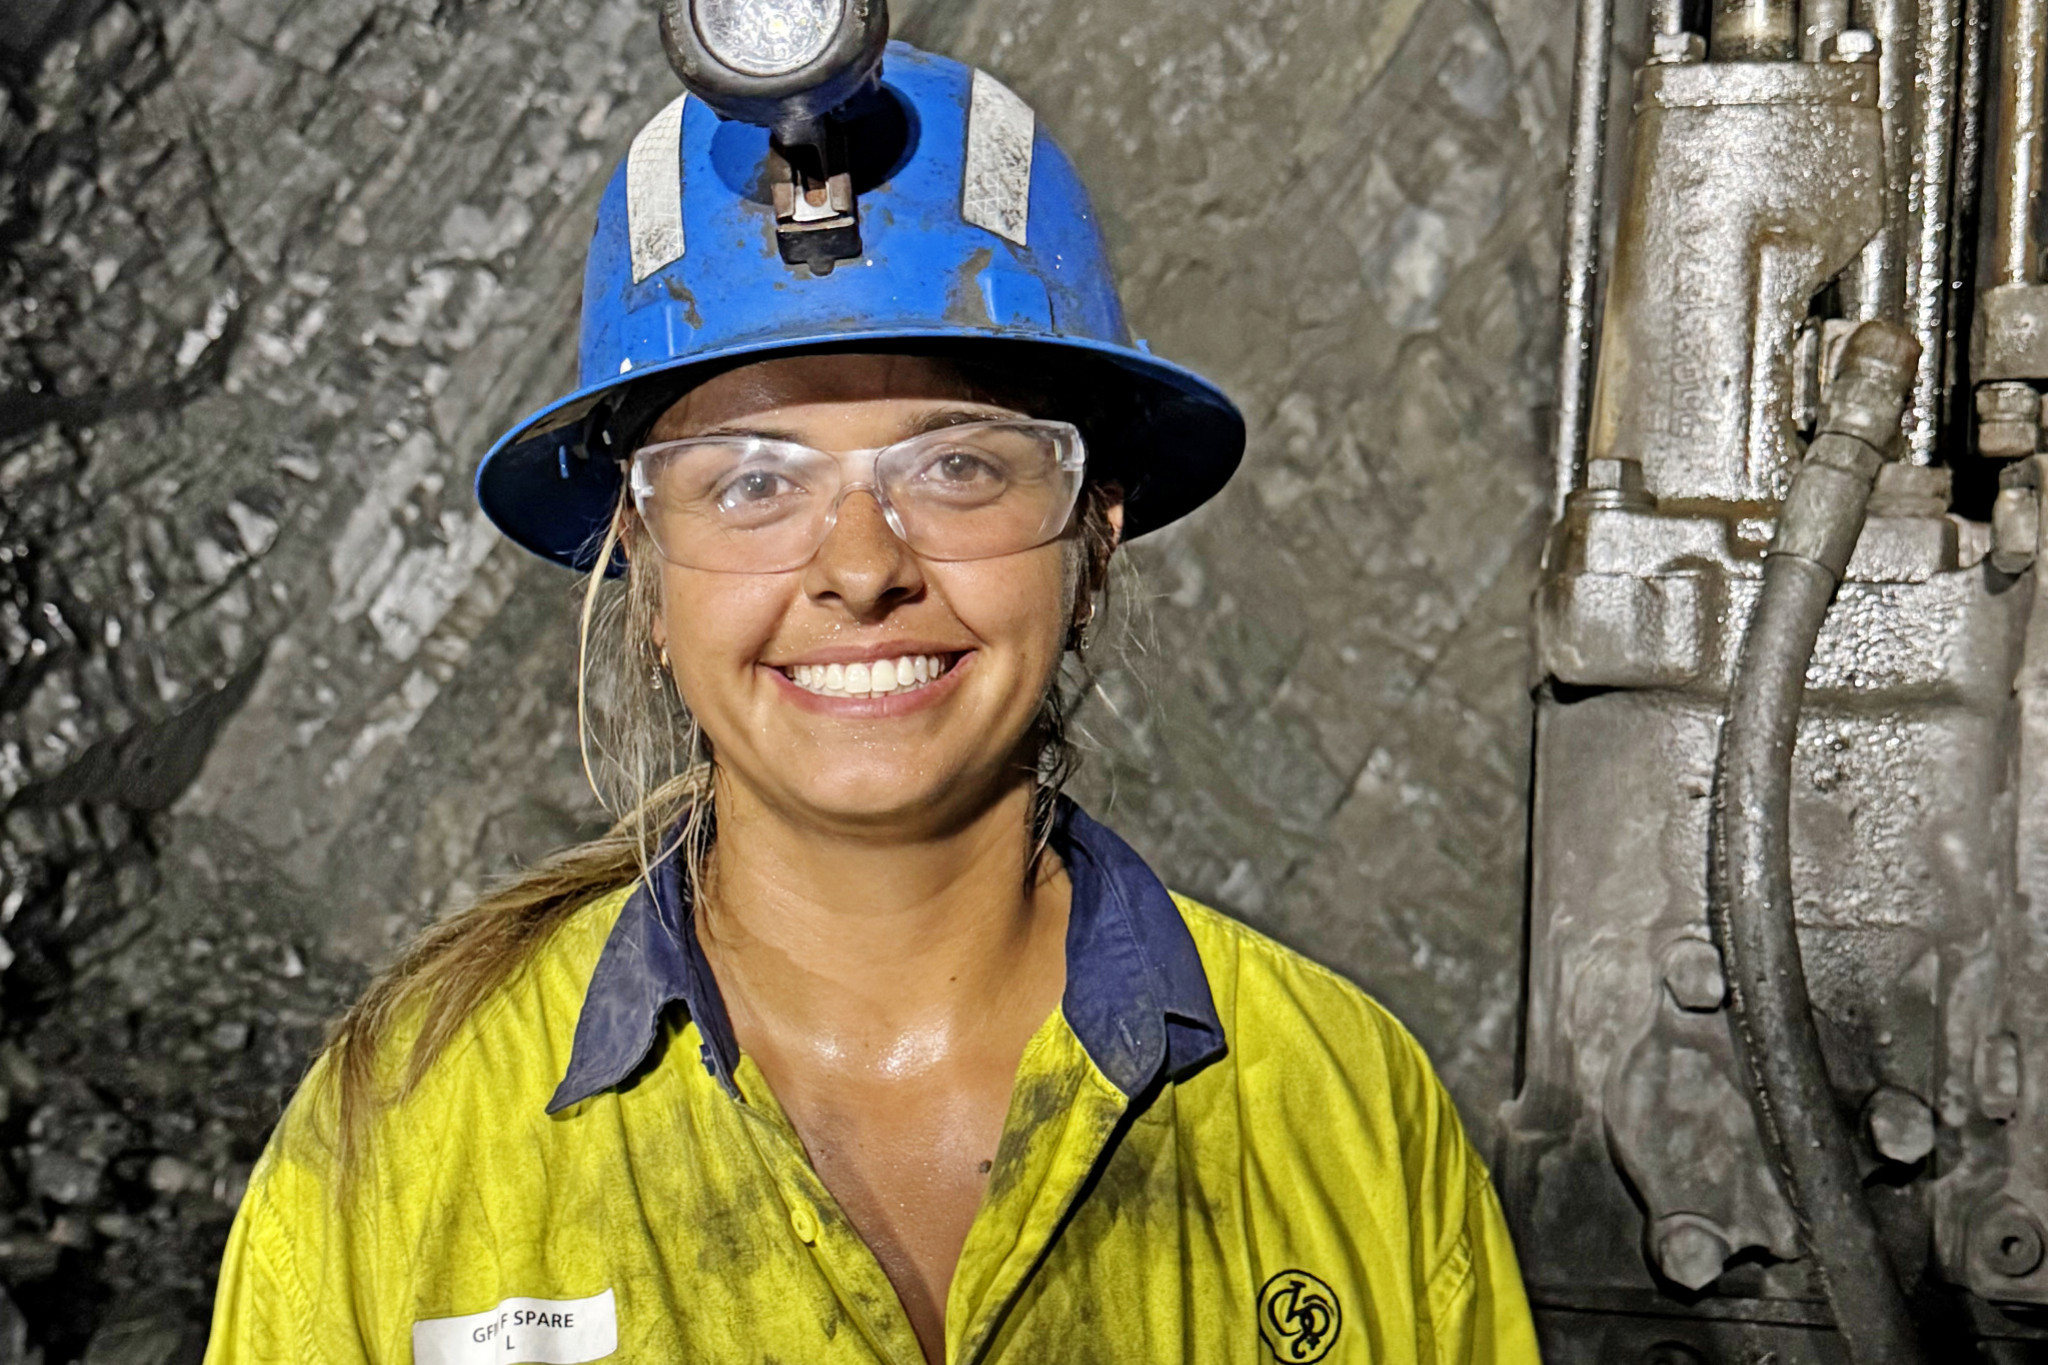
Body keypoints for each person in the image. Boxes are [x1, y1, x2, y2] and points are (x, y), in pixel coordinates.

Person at [204, 40, 1537, 1365]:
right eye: (749, 482)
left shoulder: (1344, 1116)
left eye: (958, 466)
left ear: (1094, 539)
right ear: (648, 571)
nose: (859, 566)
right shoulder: (403, 1150)